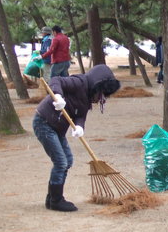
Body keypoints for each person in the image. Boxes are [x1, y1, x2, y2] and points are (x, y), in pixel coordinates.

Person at [33, 64, 121, 212]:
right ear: (96, 84)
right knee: (61, 162)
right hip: (44, 122)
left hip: (57, 128)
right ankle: (56, 200)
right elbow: (56, 80)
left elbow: (80, 116)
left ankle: (51, 197)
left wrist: (80, 127)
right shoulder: (79, 82)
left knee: (68, 161)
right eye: (101, 93)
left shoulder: (86, 99)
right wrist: (58, 96)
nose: (100, 98)